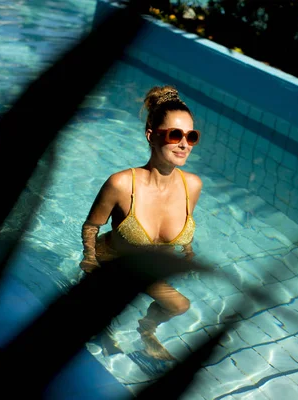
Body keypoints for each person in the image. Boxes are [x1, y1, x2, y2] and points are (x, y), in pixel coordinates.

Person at [79, 85, 203, 360]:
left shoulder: (192, 185)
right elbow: (91, 226)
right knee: (102, 317)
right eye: (175, 134)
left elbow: (185, 223)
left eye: (191, 136)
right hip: (114, 263)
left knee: (179, 306)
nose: (184, 144)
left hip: (149, 269)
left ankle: (146, 329)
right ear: (151, 135)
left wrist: (188, 251)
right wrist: (89, 260)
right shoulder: (121, 184)